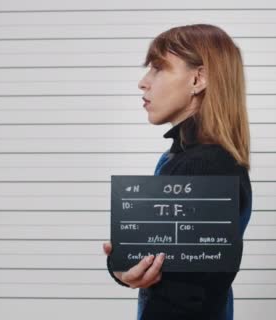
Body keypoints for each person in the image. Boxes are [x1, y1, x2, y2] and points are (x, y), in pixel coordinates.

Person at [101, 24, 253, 320]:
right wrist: (122, 268)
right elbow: (154, 259)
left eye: (158, 68)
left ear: (198, 79)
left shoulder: (205, 166)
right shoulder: (188, 159)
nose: (143, 83)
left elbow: (186, 295)